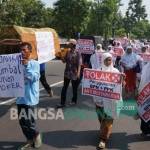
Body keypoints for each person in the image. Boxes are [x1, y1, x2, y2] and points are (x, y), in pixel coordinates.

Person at [93, 53, 124, 149]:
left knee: (108, 119)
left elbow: (120, 85)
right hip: (99, 101)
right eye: (106, 60)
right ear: (102, 60)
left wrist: (122, 78)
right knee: (101, 118)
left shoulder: (115, 71)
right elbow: (92, 84)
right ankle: (104, 130)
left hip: (111, 101)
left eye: (110, 60)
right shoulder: (97, 71)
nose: (108, 62)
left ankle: (103, 139)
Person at [16, 42, 42, 150]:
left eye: (24, 50)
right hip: (20, 98)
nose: (22, 52)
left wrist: (26, 66)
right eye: (20, 50)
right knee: (22, 122)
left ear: (30, 51)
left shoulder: (35, 64)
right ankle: (29, 140)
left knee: (30, 122)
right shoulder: (16, 63)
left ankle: (36, 135)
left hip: (30, 98)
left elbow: (34, 78)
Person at [57, 39, 82, 108]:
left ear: (73, 45)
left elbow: (79, 64)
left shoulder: (78, 53)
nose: (68, 44)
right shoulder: (67, 52)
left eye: (69, 43)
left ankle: (74, 101)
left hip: (74, 73)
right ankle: (62, 103)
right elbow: (64, 61)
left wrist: (78, 73)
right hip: (67, 73)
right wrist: (61, 56)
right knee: (64, 88)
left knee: (74, 88)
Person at [137, 62, 150, 136]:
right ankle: (145, 130)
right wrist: (139, 91)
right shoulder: (146, 67)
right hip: (145, 93)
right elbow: (142, 80)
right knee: (144, 110)